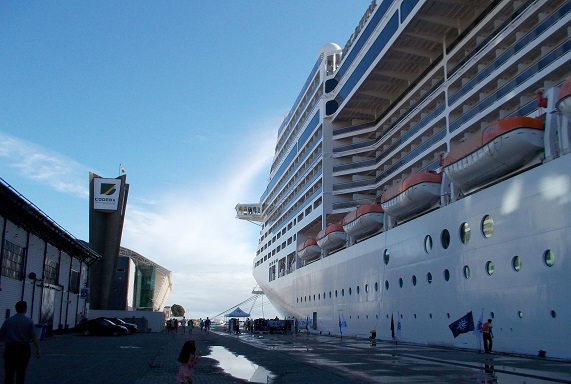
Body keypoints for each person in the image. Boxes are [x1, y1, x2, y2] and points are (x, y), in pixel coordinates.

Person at [0, 301, 41, 384]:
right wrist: (38, 349)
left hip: (10, 348)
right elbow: (34, 337)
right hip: (23, 348)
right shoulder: (29, 322)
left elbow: (1, 334)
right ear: (25, 309)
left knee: (9, 372)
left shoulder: (8, 321)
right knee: (21, 372)